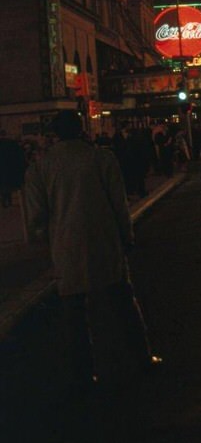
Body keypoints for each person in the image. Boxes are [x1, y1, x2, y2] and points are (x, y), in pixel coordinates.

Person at [22, 110, 158, 393]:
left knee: (74, 312)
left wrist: (44, 240)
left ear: (55, 133)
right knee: (122, 300)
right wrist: (126, 234)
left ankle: (83, 372)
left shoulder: (41, 167)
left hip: (66, 245)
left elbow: (36, 217)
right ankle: (142, 357)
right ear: (81, 129)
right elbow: (118, 203)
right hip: (104, 239)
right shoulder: (101, 158)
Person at [0, 126, 25, 209]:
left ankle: (4, 200)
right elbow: (19, 156)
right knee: (8, 184)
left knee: (3, 184)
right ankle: (8, 200)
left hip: (2, 166)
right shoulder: (12, 143)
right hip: (10, 167)